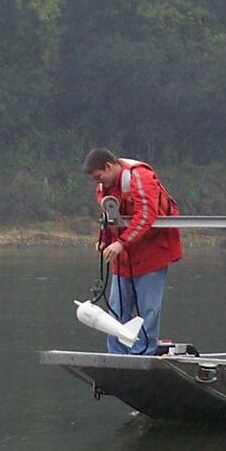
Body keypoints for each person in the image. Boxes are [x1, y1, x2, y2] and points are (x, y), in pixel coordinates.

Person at [83, 148, 183, 355]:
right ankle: (116, 356)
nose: (97, 182)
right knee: (116, 311)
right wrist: (104, 241)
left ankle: (142, 354)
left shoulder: (140, 177)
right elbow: (108, 217)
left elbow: (146, 215)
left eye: (98, 176)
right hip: (124, 258)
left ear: (109, 166)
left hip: (151, 254)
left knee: (148, 310)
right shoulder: (104, 187)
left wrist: (121, 243)